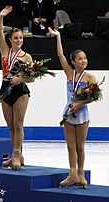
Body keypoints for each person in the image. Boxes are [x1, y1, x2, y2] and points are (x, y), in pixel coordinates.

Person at [48, 27, 97, 188]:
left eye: (85, 58)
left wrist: (80, 104)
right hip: (69, 113)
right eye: (80, 59)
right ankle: (72, 174)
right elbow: (60, 55)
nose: (83, 61)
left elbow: (93, 96)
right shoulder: (69, 73)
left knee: (80, 146)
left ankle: (81, 173)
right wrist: (58, 37)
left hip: (82, 114)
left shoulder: (90, 77)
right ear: (73, 62)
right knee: (70, 146)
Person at [0, 6, 34, 170]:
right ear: (10, 39)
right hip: (5, 89)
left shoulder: (27, 57)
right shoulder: (5, 52)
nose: (19, 40)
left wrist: (20, 79)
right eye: (16, 38)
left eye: (21, 38)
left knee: (18, 124)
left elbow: (32, 77)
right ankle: (15, 153)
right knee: (10, 125)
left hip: (20, 91)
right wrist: (0, 18)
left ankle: (17, 154)